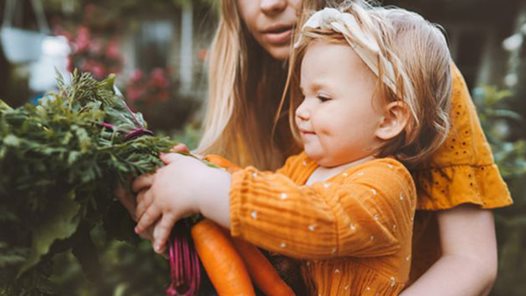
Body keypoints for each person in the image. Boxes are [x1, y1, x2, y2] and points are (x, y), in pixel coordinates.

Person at [118, 0, 513, 295]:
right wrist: (176, 175)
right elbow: (267, 193)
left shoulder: (388, 163)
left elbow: (315, 217)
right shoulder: (306, 158)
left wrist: (204, 188)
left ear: (392, 118)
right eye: (303, 96)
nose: (270, 4)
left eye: (322, 98)